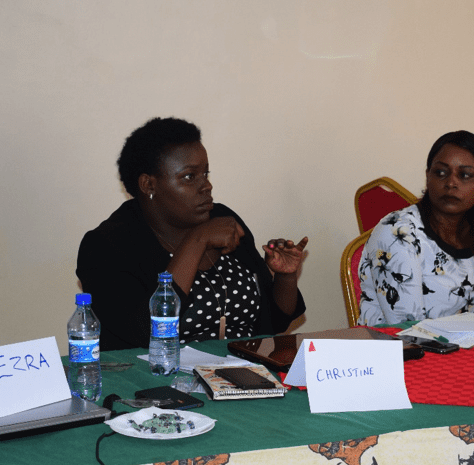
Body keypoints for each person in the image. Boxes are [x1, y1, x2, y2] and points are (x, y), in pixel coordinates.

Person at [77, 117, 308, 350]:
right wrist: (198, 239)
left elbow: (275, 322)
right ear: (148, 185)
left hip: (243, 374)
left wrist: (285, 276)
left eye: (206, 174)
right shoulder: (106, 246)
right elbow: (144, 332)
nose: (207, 186)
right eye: (189, 176)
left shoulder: (223, 219)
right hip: (158, 380)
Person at [357, 130, 474, 325]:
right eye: (441, 173)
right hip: (396, 350)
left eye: (465, 175)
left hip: (465, 351)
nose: (451, 183)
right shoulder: (397, 233)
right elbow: (408, 329)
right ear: (427, 176)